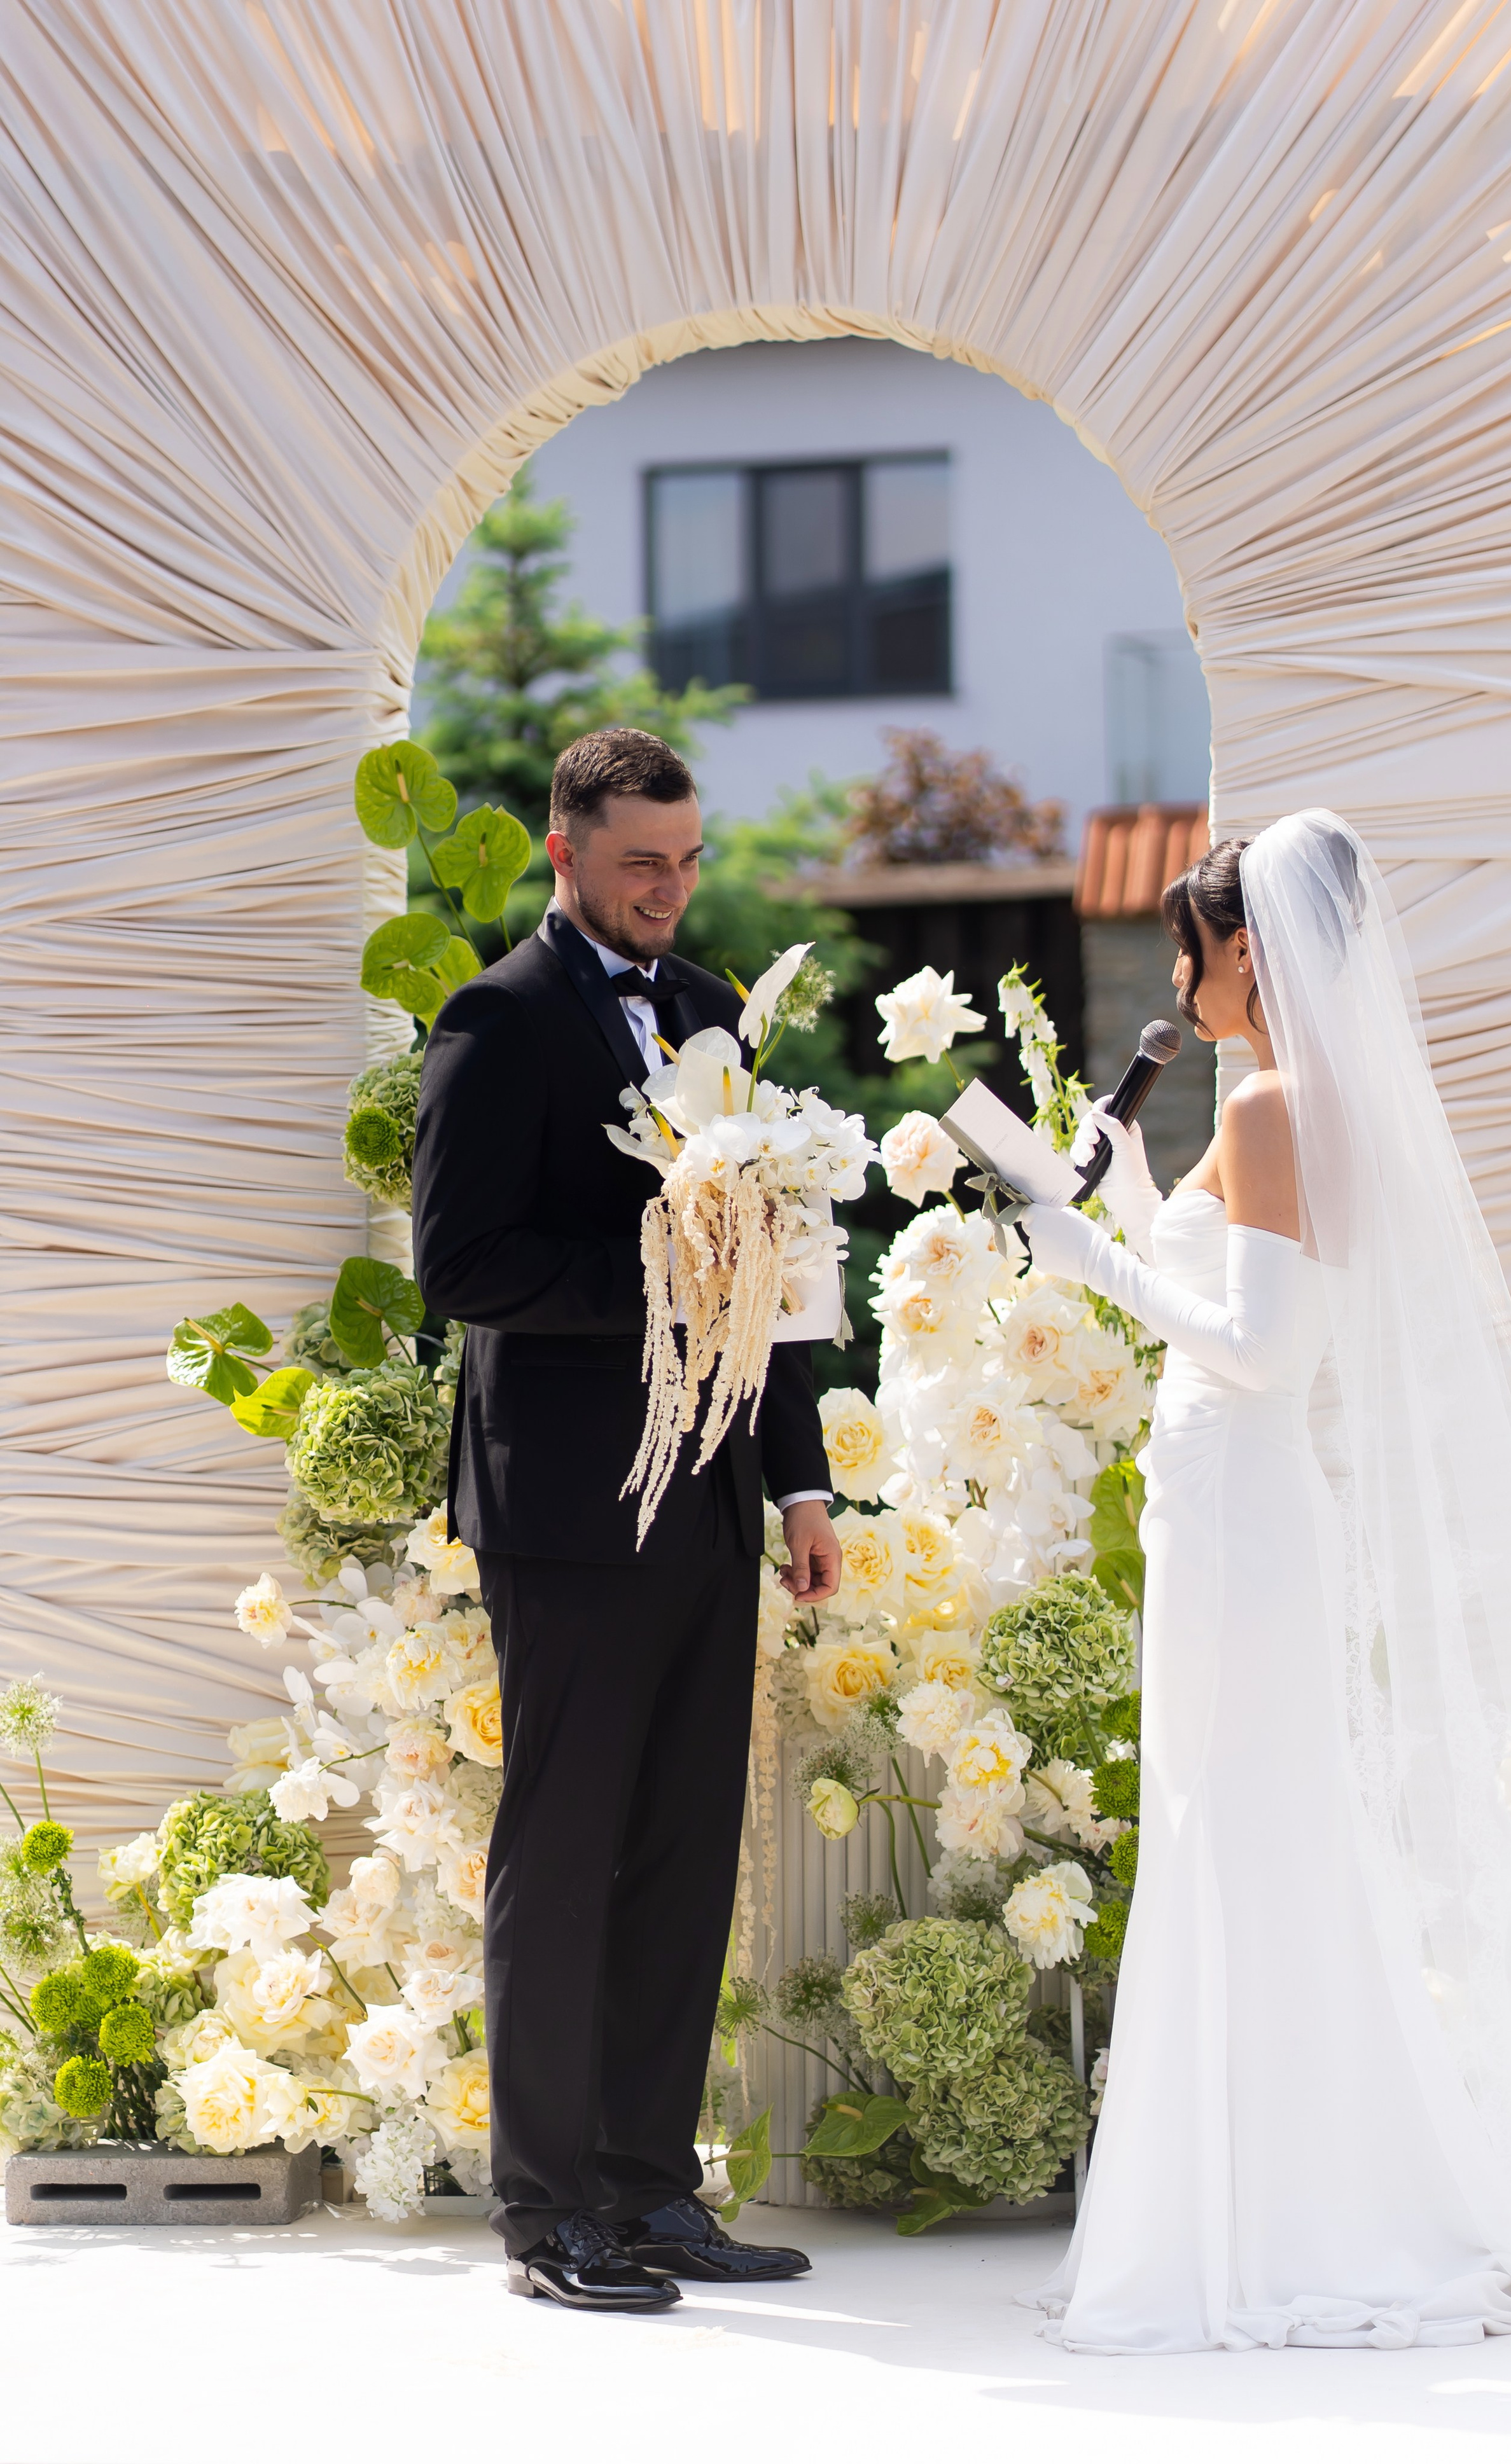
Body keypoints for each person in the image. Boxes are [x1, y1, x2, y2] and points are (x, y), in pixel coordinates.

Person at [1017, 809, 1511, 2353]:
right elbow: (1219, 1292)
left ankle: (1256, 2226)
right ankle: (1247, 2201)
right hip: (1227, 1499)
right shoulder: (1288, 1101)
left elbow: (1260, 1349)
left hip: (1237, 1499)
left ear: (1242, 949)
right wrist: (1122, 1190)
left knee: (1232, 1831)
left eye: (1189, 952)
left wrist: (1080, 1257)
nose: (1178, 981)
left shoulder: (1274, 1102)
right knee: (1234, 1825)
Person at [413, 726, 843, 2313]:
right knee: (564, 1848)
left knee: (679, 1852)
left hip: (714, 1498)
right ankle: (547, 2215)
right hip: (569, 1508)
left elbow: (772, 1272)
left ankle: (653, 2187)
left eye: (686, 858)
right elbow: (460, 1263)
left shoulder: (717, 1005)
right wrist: (660, 1281)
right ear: (564, 851)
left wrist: (800, 1479)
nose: (669, 886)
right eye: (639, 861)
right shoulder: (498, 1017)